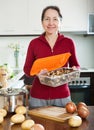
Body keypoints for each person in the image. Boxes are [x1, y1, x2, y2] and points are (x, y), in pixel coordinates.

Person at [23, 5, 80, 108]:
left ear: (60, 22)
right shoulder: (34, 43)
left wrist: (74, 70)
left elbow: (76, 65)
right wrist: (37, 74)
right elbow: (27, 68)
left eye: (55, 19)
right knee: (37, 124)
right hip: (38, 97)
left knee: (64, 124)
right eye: (47, 19)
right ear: (42, 22)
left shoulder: (68, 43)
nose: (51, 23)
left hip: (62, 96)